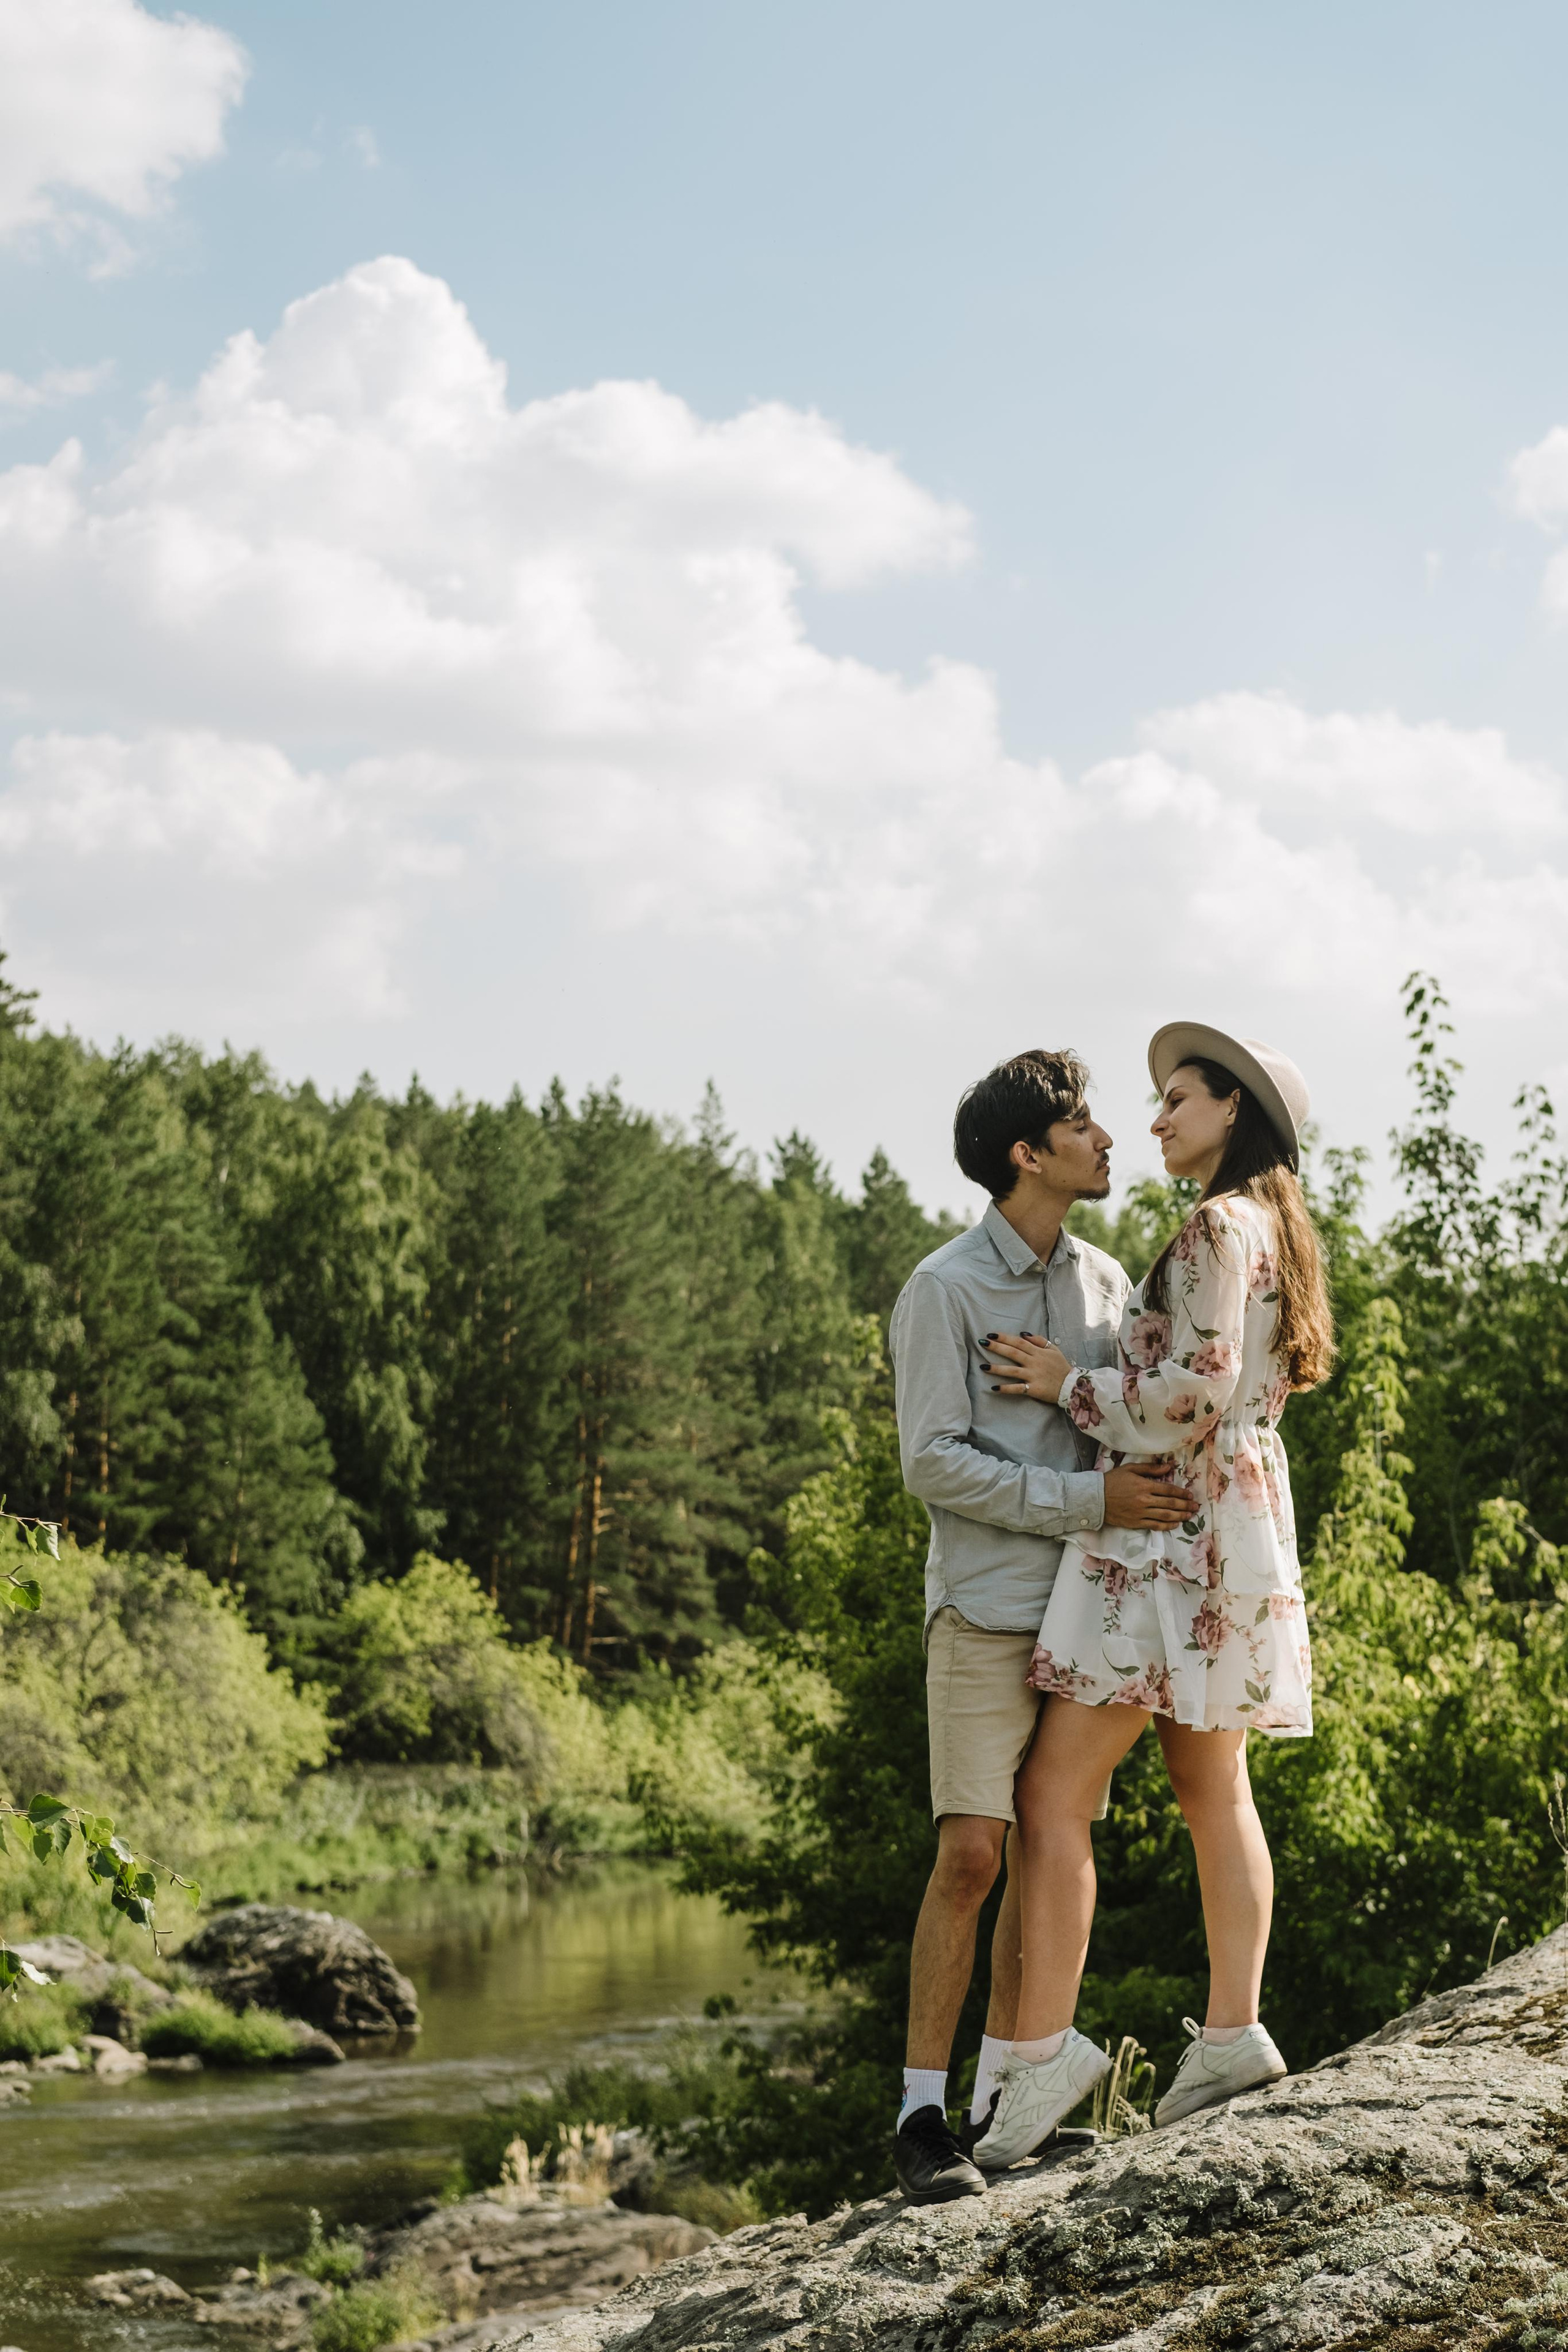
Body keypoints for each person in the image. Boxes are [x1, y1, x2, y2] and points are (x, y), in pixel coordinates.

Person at [971, 1028, 1333, 2169]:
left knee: (1053, 1791)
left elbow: (1194, 1389)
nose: (1159, 1120)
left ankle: (1040, 2061)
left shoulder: (1222, 1224)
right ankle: (1234, 2031)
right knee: (1208, 1781)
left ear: (1234, 1111)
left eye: (1179, 1100)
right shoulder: (1275, 1226)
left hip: (1172, 1521)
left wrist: (1067, 1383)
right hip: (1234, 1517)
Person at [887, 1049, 1196, 2203]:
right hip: (982, 1609)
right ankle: (923, 2117)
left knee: (1051, 1847)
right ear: (1028, 1153)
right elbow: (931, 1463)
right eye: (1082, 1123)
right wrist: (1084, 1500)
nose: (1109, 1137)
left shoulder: (1107, 1285)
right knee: (972, 1856)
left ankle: (1014, 2095)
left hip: (1087, 1605)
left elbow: (1122, 1418)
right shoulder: (943, 1290)